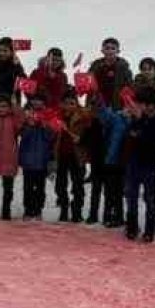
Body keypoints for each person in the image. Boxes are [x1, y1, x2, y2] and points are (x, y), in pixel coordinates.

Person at [122, 87, 155, 242]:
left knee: (150, 197)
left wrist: (140, 122)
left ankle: (150, 230)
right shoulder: (137, 117)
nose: (138, 106)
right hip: (133, 161)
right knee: (131, 195)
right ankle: (132, 227)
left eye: (140, 103)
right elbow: (130, 135)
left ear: (150, 105)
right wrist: (136, 121)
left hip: (150, 163)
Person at [55, 90, 98, 223]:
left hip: (77, 156)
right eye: (66, 103)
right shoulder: (56, 117)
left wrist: (81, 139)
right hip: (61, 155)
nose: (69, 106)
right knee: (60, 185)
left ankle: (76, 211)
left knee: (78, 185)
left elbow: (90, 130)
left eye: (72, 103)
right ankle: (63, 209)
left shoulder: (83, 116)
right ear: (62, 104)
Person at [94, 99, 131, 228]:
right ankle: (109, 216)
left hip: (122, 162)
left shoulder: (131, 120)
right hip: (113, 160)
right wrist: (102, 104)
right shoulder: (116, 118)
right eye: (127, 107)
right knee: (111, 190)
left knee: (118, 191)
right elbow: (105, 117)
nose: (129, 109)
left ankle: (117, 216)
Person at [18, 95, 56, 220]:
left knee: (40, 188)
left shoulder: (49, 116)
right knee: (28, 187)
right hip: (28, 159)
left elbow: (51, 137)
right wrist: (29, 124)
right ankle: (28, 210)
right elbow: (22, 135)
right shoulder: (25, 114)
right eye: (34, 100)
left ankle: (38, 209)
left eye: (39, 100)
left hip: (42, 159)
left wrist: (45, 125)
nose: (36, 103)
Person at [88, 38, 134, 109]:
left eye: (113, 48)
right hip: (98, 106)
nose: (110, 51)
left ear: (118, 51)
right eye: (107, 48)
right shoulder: (95, 67)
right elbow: (89, 87)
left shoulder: (124, 68)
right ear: (102, 51)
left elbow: (130, 87)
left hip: (118, 106)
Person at [0, 37, 27, 103]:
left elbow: (24, 84)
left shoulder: (16, 65)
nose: (2, 53)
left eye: (5, 51)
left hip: (12, 104)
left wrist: (18, 67)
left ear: (12, 51)